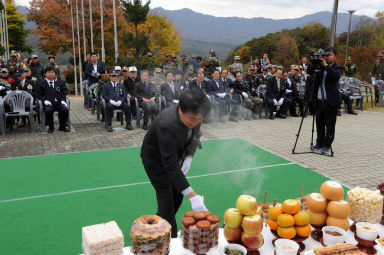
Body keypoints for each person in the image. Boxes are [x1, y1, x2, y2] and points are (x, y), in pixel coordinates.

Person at [140, 88, 210, 238]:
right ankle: (167, 239)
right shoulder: (166, 124)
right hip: (155, 160)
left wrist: (189, 156)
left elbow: (195, 136)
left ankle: (158, 223)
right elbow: (170, 165)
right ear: (180, 109)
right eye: (192, 119)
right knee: (166, 198)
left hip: (175, 153)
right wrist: (193, 196)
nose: (196, 122)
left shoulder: (195, 114)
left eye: (200, 119)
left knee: (178, 195)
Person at [308, 47, 344, 155]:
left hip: (331, 100)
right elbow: (310, 72)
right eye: (326, 55)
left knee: (330, 125)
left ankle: (327, 145)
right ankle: (319, 143)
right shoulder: (320, 65)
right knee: (319, 123)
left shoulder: (338, 67)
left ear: (335, 57)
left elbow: (335, 76)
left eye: (330, 55)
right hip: (319, 99)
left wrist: (326, 65)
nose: (327, 57)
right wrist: (312, 62)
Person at [38, 66, 69, 133]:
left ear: (55, 74)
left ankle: (62, 126)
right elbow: (39, 95)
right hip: (48, 103)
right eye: (49, 72)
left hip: (58, 102)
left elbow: (64, 93)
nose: (51, 74)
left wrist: (63, 100)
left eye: (52, 72)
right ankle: (51, 127)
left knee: (65, 109)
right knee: (48, 110)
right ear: (45, 74)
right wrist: (44, 101)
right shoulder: (41, 84)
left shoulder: (60, 83)